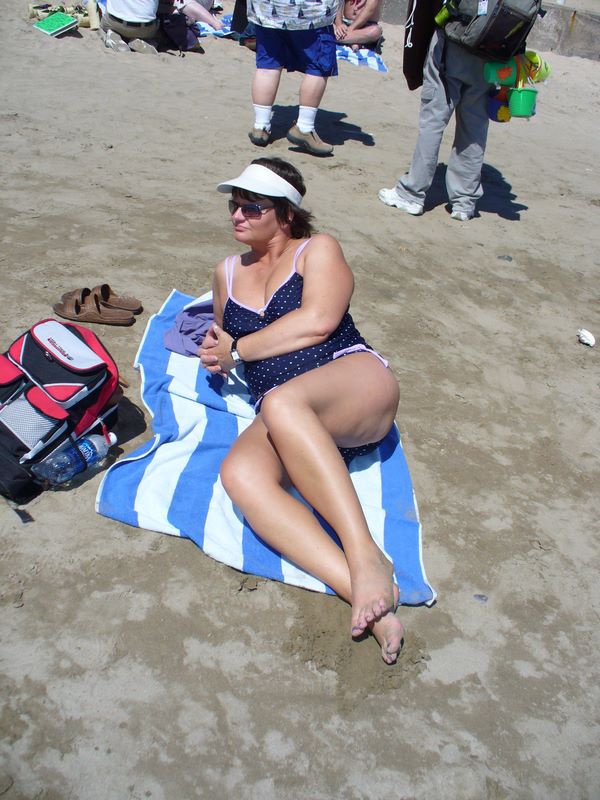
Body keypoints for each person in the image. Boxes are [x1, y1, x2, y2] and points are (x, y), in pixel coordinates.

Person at [198, 157, 404, 664]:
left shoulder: (317, 249)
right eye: (234, 204)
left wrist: (239, 351)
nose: (237, 215)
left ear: (286, 214)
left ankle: (365, 552)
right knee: (240, 474)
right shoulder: (226, 272)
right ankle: (362, 593)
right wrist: (214, 347)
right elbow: (227, 337)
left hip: (350, 383)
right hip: (286, 412)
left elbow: (317, 321)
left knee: (285, 401)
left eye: (252, 206)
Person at [378, 24, 492, 221]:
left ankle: (411, 194)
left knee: (434, 120)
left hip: (455, 40)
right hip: (491, 50)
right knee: (474, 126)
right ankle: (464, 202)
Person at [246, 0, 338, 156]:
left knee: (267, 66)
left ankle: (260, 127)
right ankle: (304, 127)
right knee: (319, 68)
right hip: (312, 13)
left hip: (266, 9)